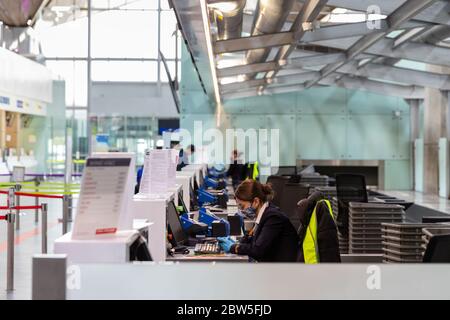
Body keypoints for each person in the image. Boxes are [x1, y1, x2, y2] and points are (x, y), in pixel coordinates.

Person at [218, 179, 300, 262]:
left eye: (242, 206)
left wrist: (233, 247)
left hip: (281, 269)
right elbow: (252, 238)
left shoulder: (273, 218)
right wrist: (237, 242)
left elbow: (258, 249)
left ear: (256, 201)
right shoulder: (264, 214)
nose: (241, 210)